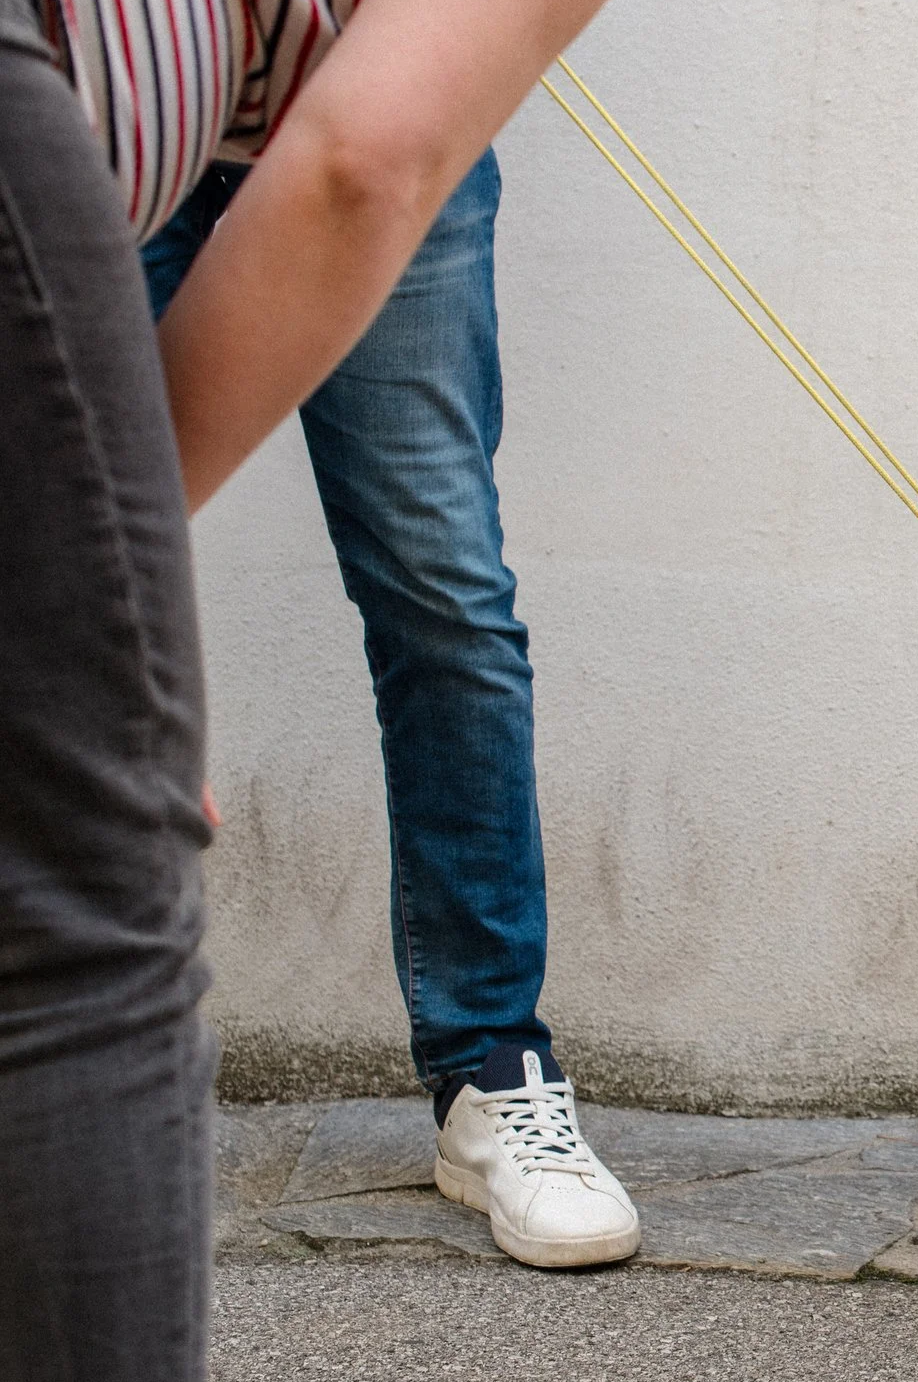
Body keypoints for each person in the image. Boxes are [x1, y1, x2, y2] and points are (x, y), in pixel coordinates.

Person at [0, 0, 629, 1382]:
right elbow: (363, 156)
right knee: (82, 938)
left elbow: (363, 155)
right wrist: (95, 662)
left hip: (212, 106)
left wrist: (79, 645)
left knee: (441, 589)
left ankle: (494, 1068)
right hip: (76, 105)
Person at [140, 156, 641, 1273]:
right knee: (37, 556)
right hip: (103, 115)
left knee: (445, 593)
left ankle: (489, 1072)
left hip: (384, 139)